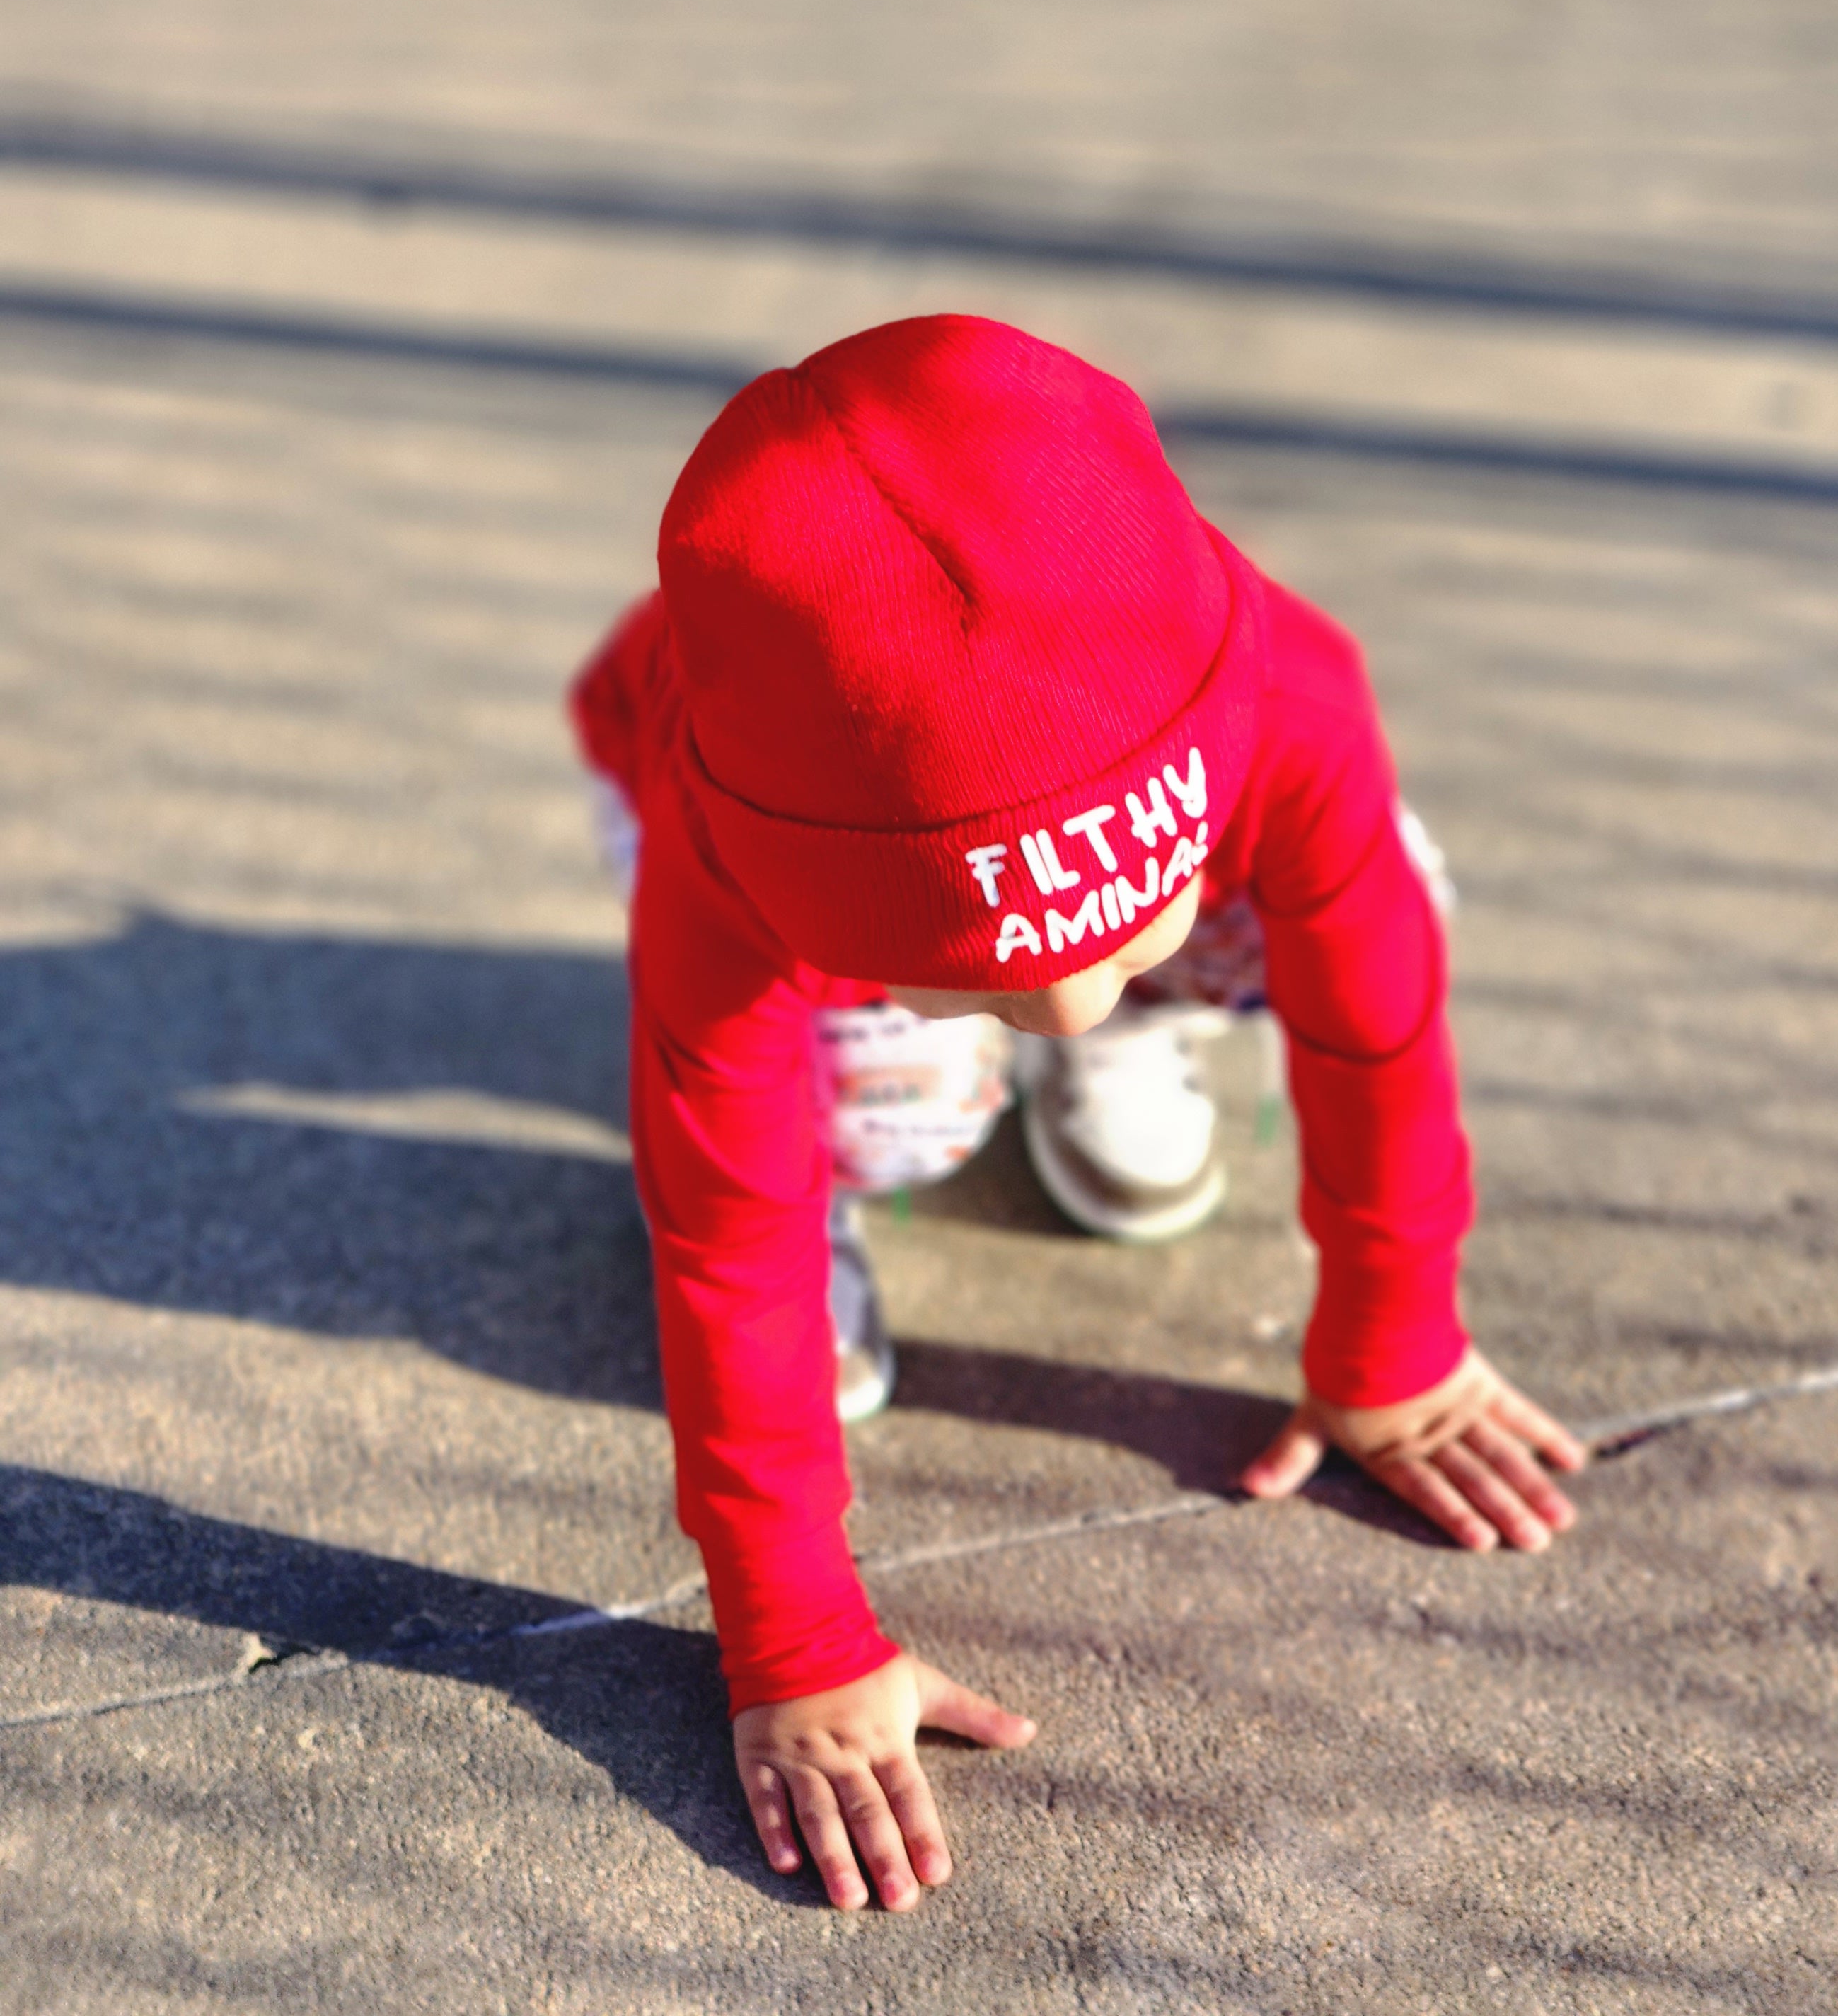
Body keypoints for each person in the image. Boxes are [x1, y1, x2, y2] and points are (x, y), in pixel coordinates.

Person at [568, 314, 1585, 1914]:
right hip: (722, 802)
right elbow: (721, 1204)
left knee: (1397, 884)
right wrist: (792, 1626)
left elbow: (1377, 1017)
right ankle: (916, 1071)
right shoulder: (732, 841)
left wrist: (1394, 1334)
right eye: (990, 982)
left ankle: (1035, 966)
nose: (1070, 1006)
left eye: (1122, 945)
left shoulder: (1284, 687)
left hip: (1042, 835)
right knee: (895, 1108)